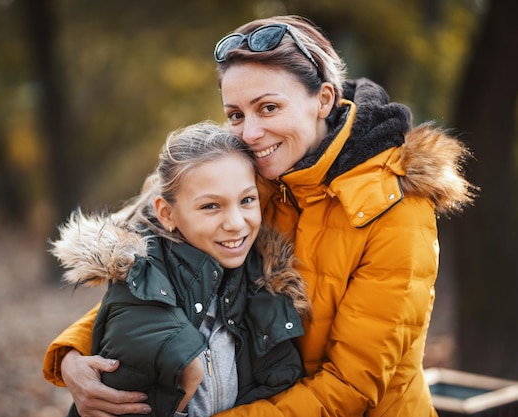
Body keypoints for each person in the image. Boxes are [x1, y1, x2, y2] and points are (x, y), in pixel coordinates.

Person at [43, 15, 477, 417]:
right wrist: (74, 357)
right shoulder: (249, 179)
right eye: (236, 114)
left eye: (268, 108)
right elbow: (158, 276)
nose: (249, 133)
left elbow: (351, 387)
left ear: (323, 99)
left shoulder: (397, 206)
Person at [49, 121, 310, 417]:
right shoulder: (141, 291)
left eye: (247, 200)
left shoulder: (264, 282)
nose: (236, 222)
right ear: (167, 213)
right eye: (211, 206)